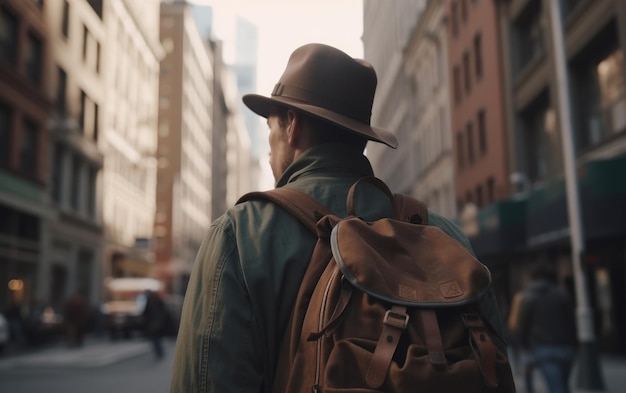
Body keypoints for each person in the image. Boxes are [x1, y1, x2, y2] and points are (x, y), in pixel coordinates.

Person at [170, 43, 508, 392]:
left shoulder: (239, 234)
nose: (269, 144)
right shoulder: (446, 236)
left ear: (292, 126)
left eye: (270, 126)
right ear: (360, 138)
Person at [518, 264, 577, 393]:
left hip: (543, 348)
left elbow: (524, 325)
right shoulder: (562, 294)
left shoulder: (529, 297)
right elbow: (571, 322)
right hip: (566, 348)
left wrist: (524, 346)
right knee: (564, 385)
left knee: (556, 387)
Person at [508, 289, 535, 393]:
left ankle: (528, 386)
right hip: (527, 341)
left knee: (524, 362)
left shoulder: (514, 314)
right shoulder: (527, 304)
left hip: (519, 338)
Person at [142, 290, 167, 359]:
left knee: (155, 339)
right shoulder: (158, 300)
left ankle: (159, 352)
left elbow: (146, 312)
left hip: (153, 323)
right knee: (157, 339)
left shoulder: (150, 301)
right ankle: (159, 352)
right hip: (158, 323)